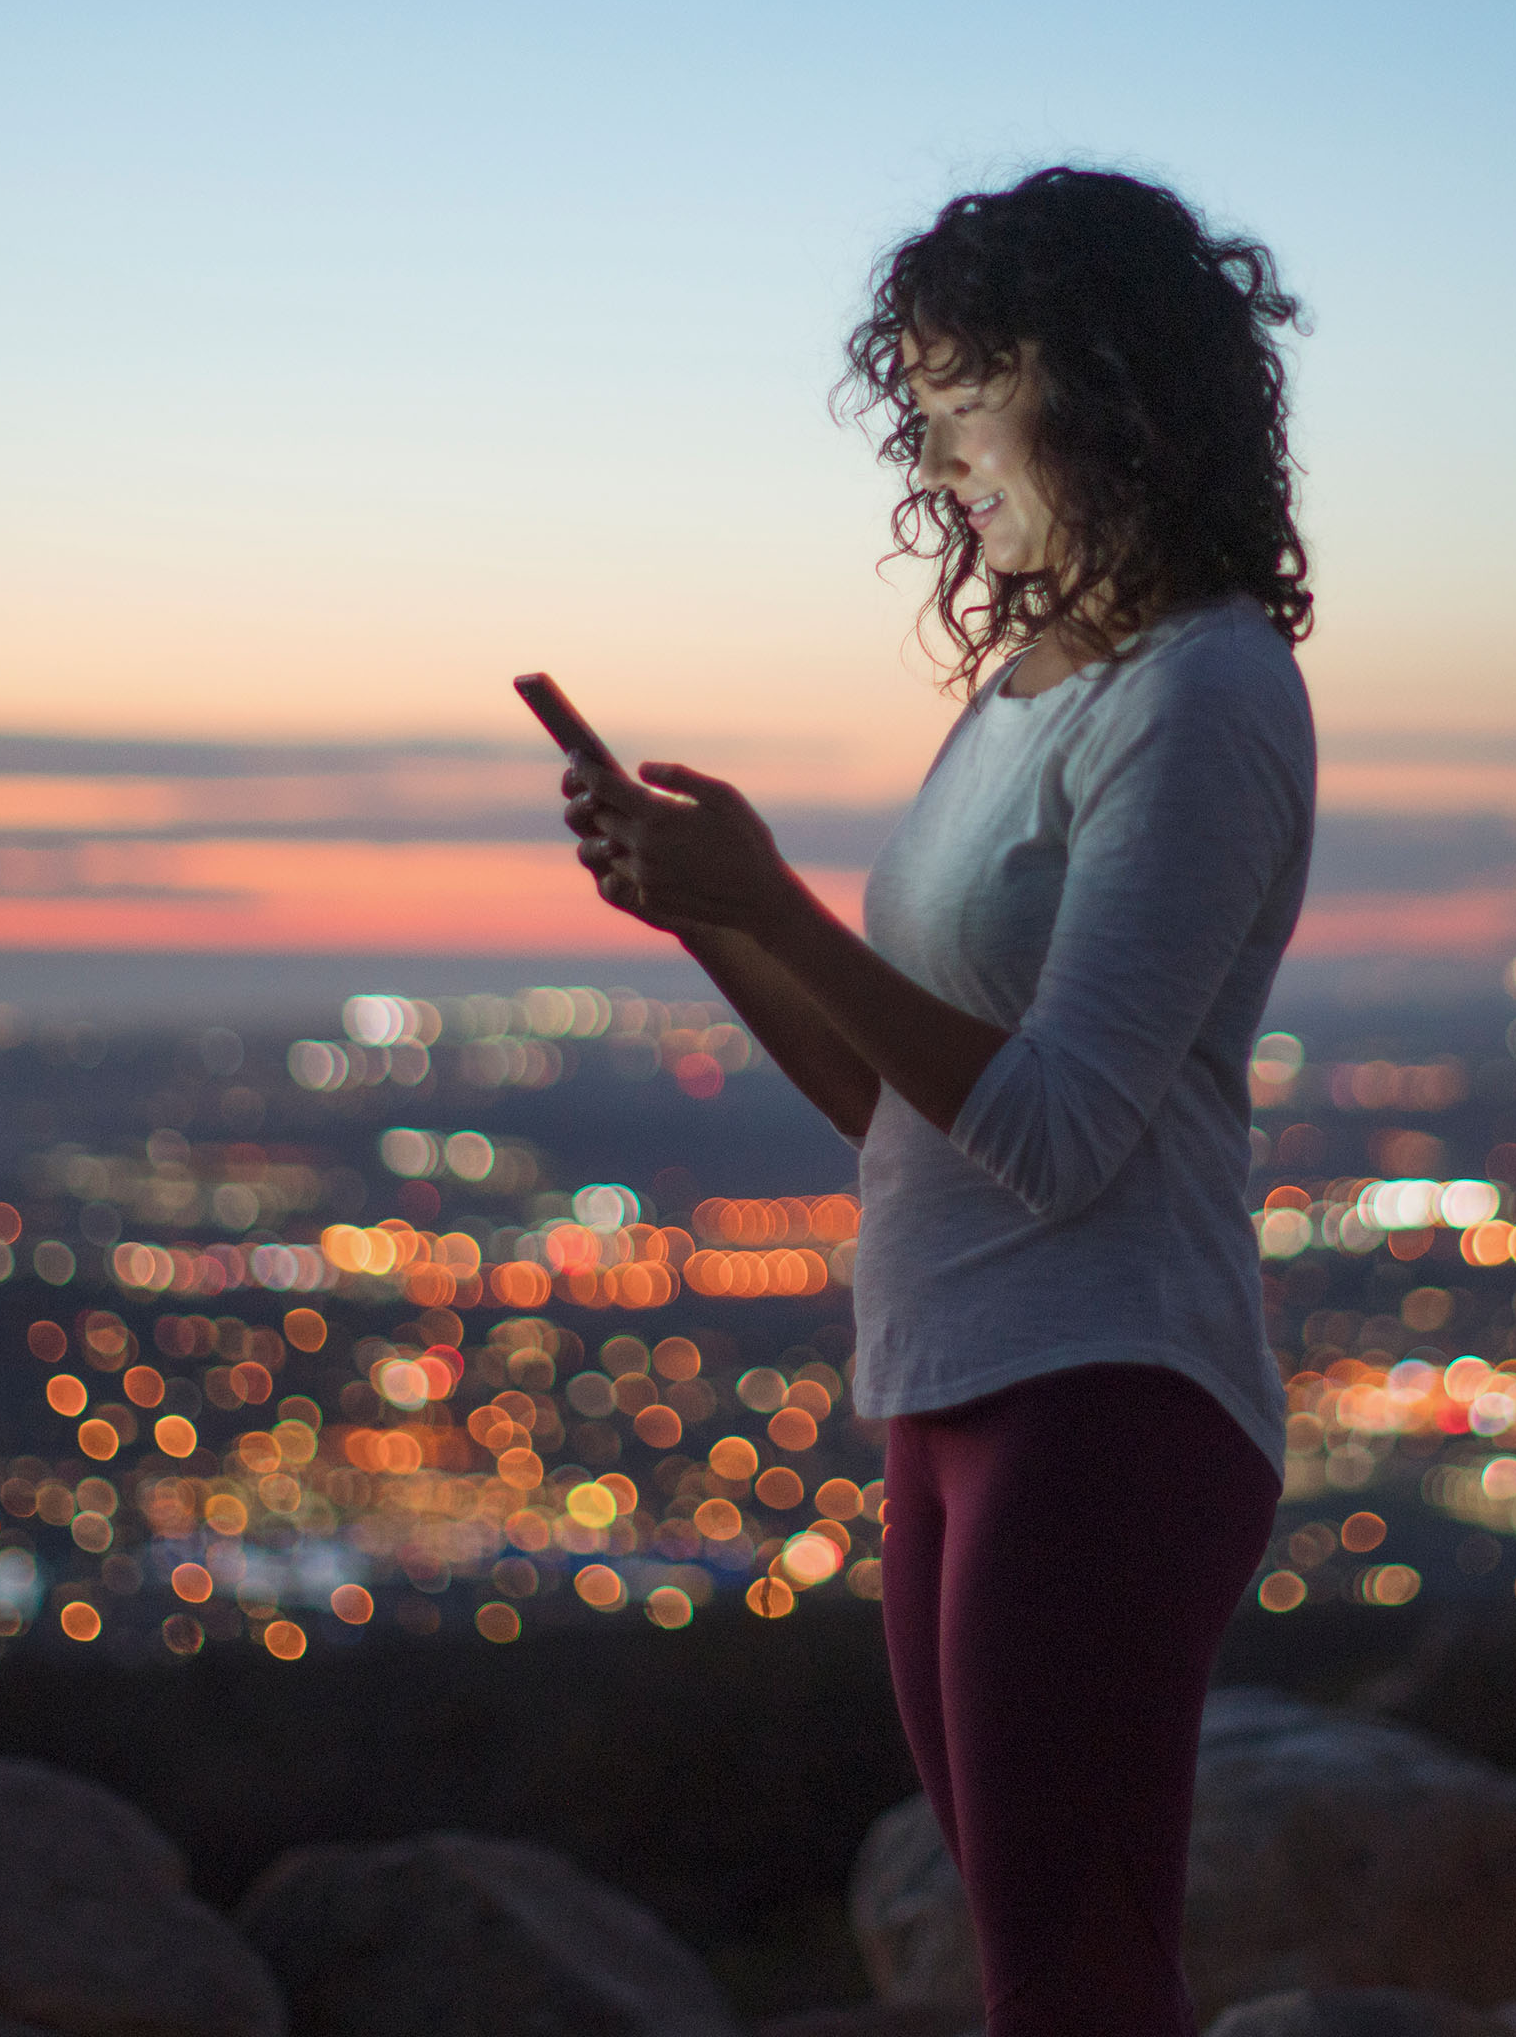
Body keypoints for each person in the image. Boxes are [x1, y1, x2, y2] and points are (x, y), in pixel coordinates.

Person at [561, 165, 1315, 2036]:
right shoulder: (1026, 693)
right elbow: (889, 1101)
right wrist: (708, 923)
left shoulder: (1203, 695)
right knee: (1032, 1966)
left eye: (976, 392)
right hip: (951, 1373)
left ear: (1111, 393)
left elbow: (1059, 1133)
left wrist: (775, 900)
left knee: (1075, 1978)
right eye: (927, 402)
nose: (947, 450)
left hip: (1106, 1389)